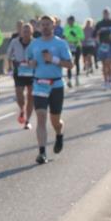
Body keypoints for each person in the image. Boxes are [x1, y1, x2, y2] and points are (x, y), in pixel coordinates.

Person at [27, 15, 73, 164]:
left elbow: (70, 65)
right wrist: (31, 63)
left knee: (55, 121)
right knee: (41, 118)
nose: (45, 27)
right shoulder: (34, 44)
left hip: (56, 85)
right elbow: (28, 60)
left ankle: (59, 133)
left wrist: (52, 59)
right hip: (40, 84)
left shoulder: (61, 44)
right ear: (39, 27)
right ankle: (42, 152)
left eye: (48, 24)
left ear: (54, 26)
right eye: (43, 25)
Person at [5, 22, 35, 129]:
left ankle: (27, 121)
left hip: (31, 72)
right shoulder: (14, 42)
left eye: (28, 31)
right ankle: (22, 109)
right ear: (21, 32)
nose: (26, 33)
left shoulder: (35, 43)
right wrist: (9, 67)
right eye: (24, 31)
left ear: (32, 32)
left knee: (31, 96)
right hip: (19, 71)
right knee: (19, 94)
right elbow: (8, 55)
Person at [94, 8, 111, 89]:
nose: (106, 14)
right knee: (104, 65)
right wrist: (98, 33)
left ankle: (110, 80)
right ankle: (105, 81)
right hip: (102, 46)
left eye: (107, 13)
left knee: (108, 63)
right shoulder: (99, 24)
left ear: (109, 14)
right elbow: (94, 34)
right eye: (104, 13)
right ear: (103, 14)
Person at [62, 15, 84, 87]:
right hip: (69, 47)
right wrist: (66, 37)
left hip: (76, 46)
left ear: (73, 21)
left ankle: (77, 77)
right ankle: (69, 79)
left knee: (76, 62)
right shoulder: (66, 27)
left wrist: (75, 35)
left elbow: (82, 37)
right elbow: (64, 35)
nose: (69, 23)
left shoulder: (78, 27)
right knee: (69, 62)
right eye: (68, 21)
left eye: (70, 21)